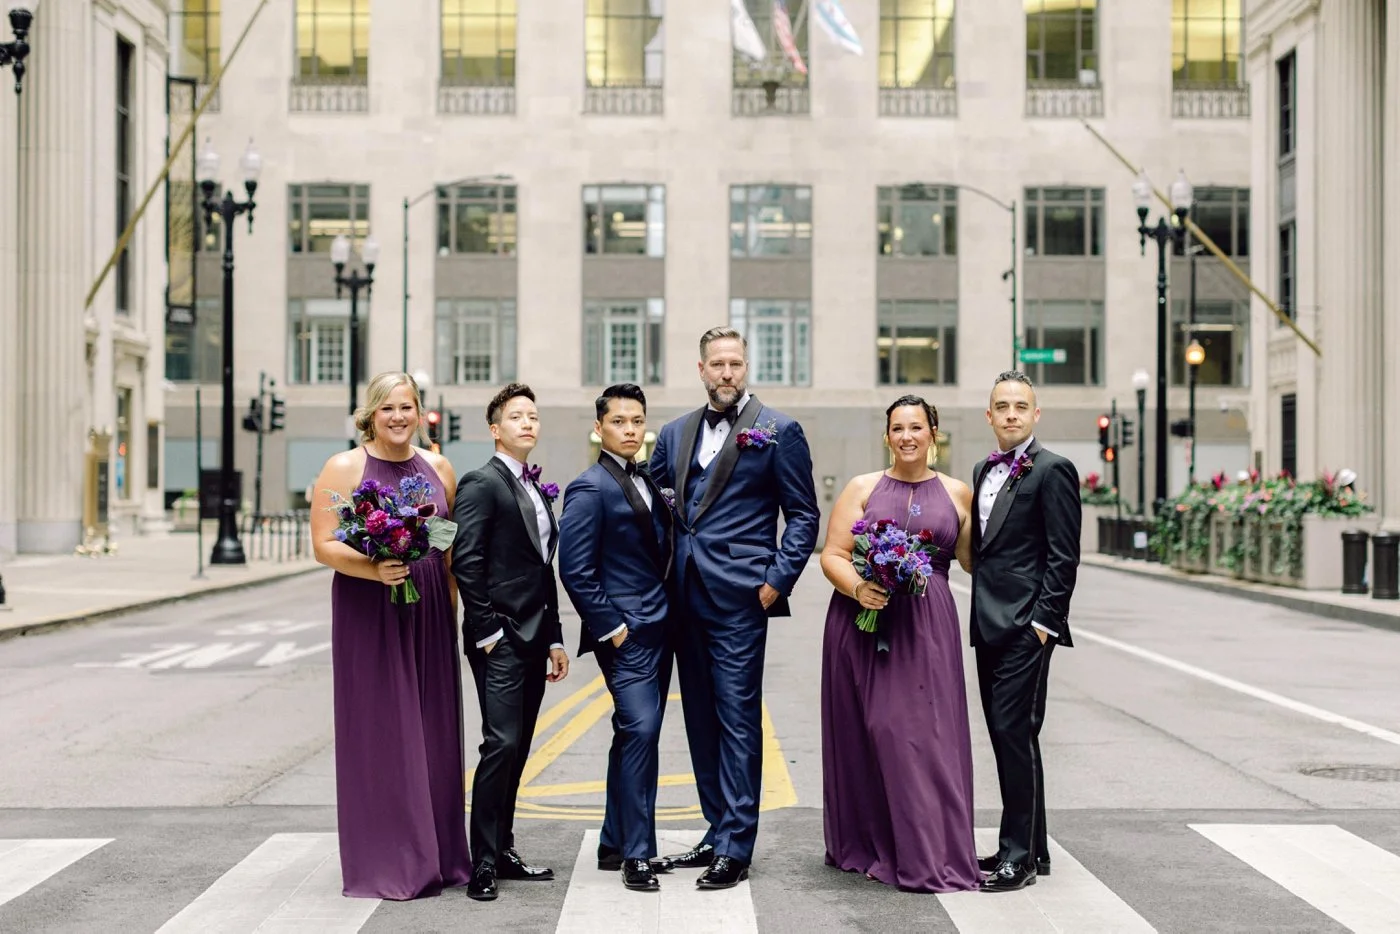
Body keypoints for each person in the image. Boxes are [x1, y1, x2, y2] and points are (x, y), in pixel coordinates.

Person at [648, 327, 820, 889]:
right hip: (680, 596)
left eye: (736, 364)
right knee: (698, 718)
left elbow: (803, 515)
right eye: (717, 364)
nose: (727, 373)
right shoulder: (673, 434)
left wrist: (776, 580)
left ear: (746, 367)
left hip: (742, 597)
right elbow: (655, 508)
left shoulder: (778, 431)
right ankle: (716, 827)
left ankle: (737, 845)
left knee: (738, 718)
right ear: (700, 369)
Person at [309, 371, 472, 900]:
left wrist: (450, 616)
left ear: (420, 411)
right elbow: (324, 545)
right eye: (388, 410)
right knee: (382, 732)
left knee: (432, 733)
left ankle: (441, 854)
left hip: (428, 613)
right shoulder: (344, 467)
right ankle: (389, 859)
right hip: (368, 611)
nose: (399, 418)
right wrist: (374, 568)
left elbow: (445, 548)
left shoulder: (440, 467)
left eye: (407, 407)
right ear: (370, 415)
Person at [817, 395, 981, 893]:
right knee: (876, 730)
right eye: (897, 428)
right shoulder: (862, 487)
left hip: (928, 625)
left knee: (926, 737)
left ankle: (931, 849)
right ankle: (871, 841)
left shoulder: (960, 494)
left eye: (916, 426)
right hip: (864, 619)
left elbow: (974, 563)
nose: (907, 436)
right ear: (886, 436)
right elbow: (834, 553)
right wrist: (858, 586)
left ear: (934, 432)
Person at [451, 382, 571, 902]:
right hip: (498, 638)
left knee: (518, 748)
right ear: (495, 429)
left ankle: (503, 849)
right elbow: (466, 560)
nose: (528, 423)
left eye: (533, 416)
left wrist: (556, 638)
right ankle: (480, 862)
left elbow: (544, 570)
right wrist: (488, 631)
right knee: (499, 743)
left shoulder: (533, 488)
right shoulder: (482, 483)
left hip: (533, 635)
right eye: (516, 416)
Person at [558, 383, 676, 893]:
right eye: (619, 422)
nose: (630, 430)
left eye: (637, 421)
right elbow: (575, 569)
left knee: (632, 735)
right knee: (642, 732)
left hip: (662, 627)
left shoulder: (649, 478)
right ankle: (637, 853)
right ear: (599, 428)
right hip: (626, 634)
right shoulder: (590, 487)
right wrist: (613, 628)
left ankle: (612, 841)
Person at [969, 370, 1080, 893]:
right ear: (989, 416)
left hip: (1025, 629)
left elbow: (1063, 556)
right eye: (1002, 406)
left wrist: (1042, 625)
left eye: (1021, 406)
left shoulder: (1054, 471)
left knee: (1013, 733)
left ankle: (1019, 858)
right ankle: (1031, 844)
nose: (1011, 414)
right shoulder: (981, 470)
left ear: (1036, 415)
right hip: (986, 625)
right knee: (1009, 734)